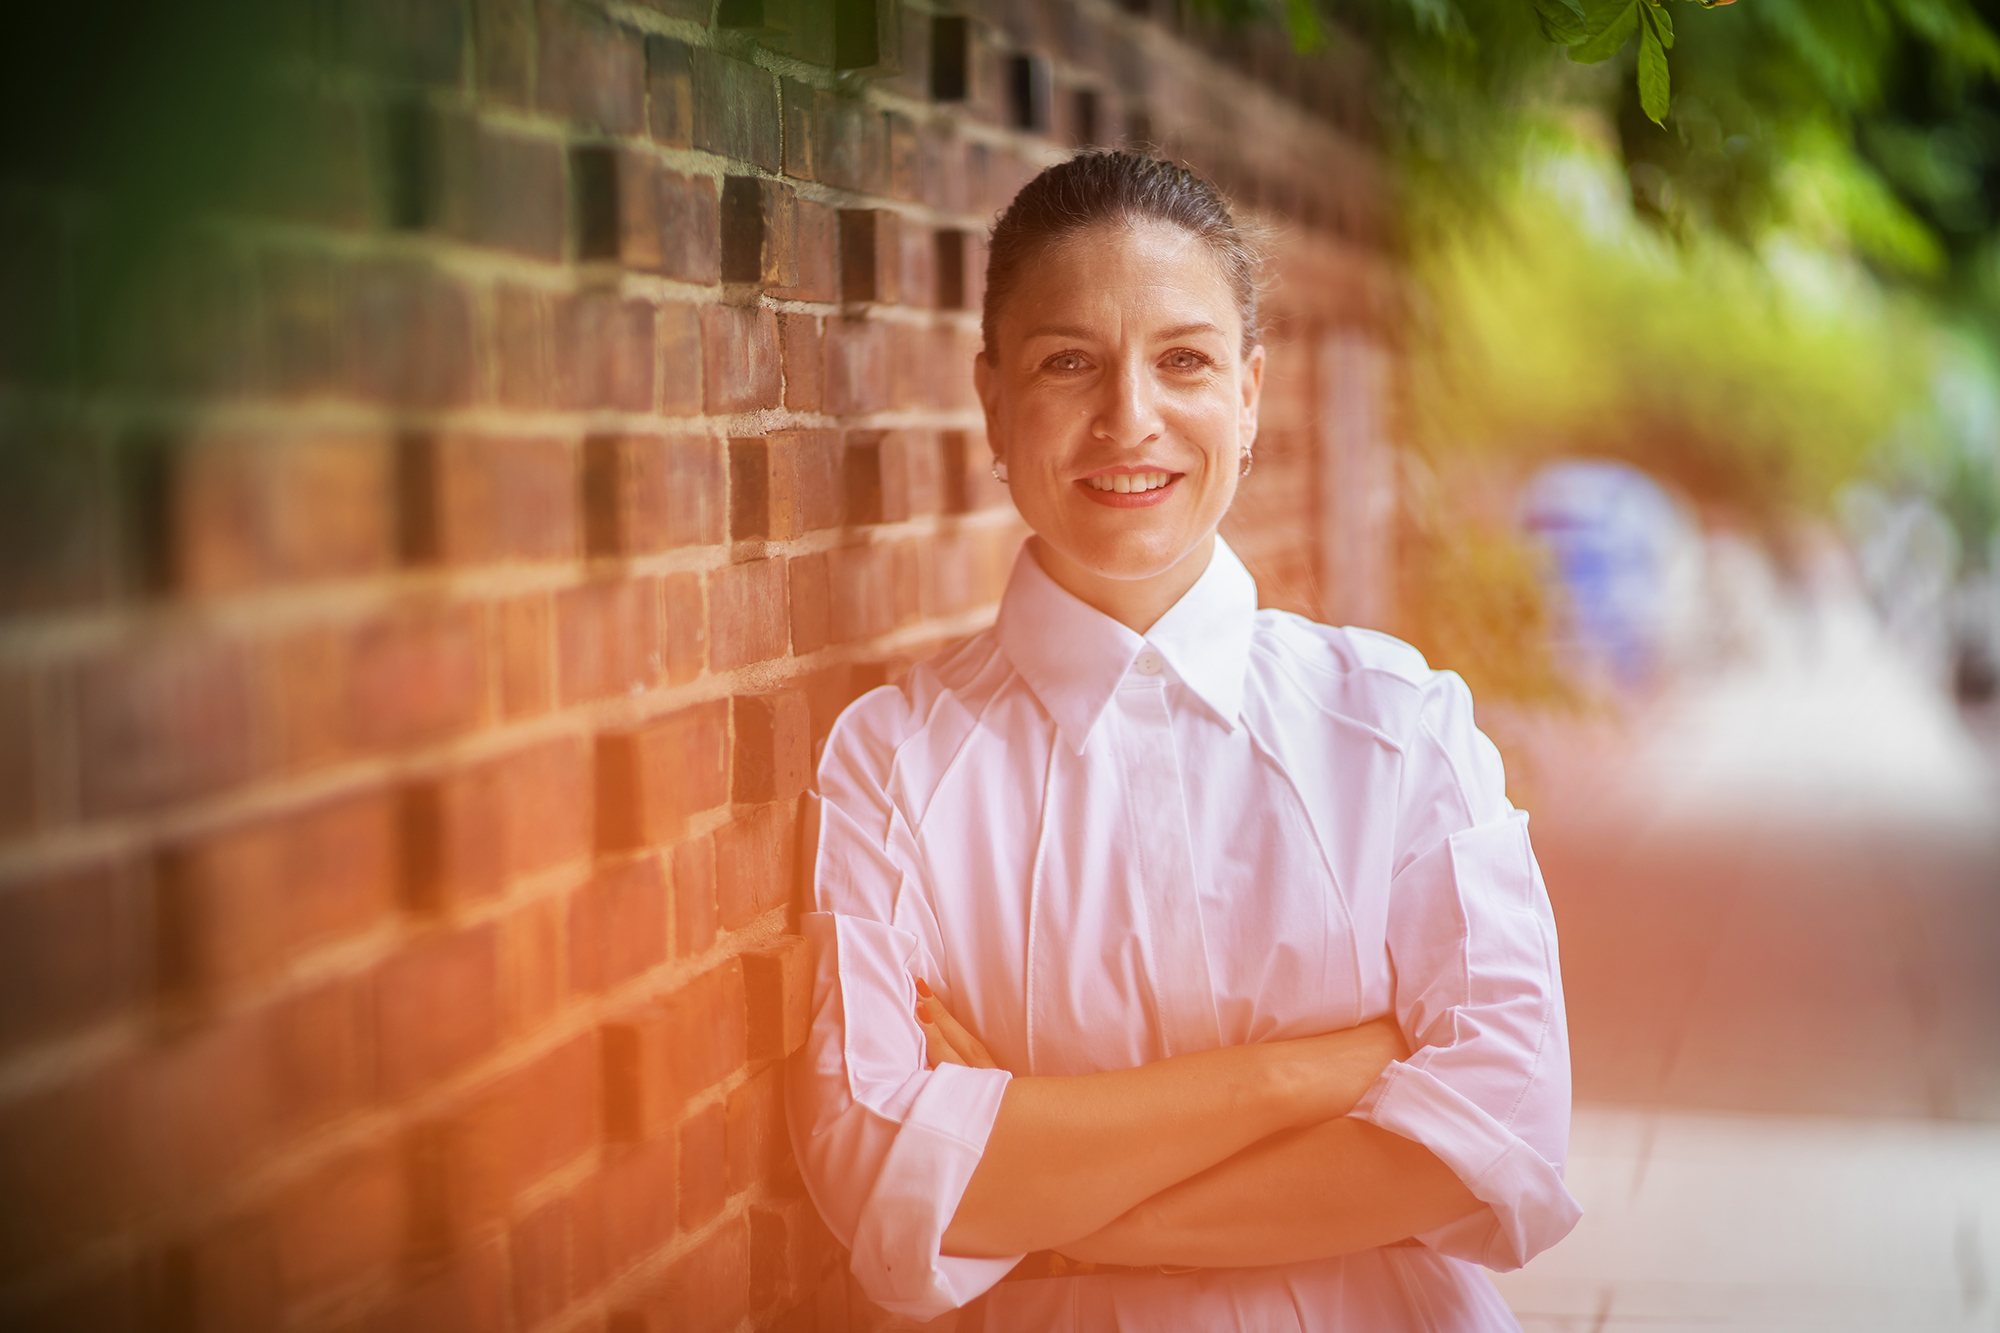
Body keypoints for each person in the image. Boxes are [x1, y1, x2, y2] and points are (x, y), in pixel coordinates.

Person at [787, 150, 1579, 1331]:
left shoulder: (1400, 727)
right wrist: (1302, 1073)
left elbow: (1497, 1132)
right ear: (992, 400)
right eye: (1069, 362)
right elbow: (877, 1169)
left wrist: (1038, 1184)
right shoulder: (892, 765)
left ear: (1248, 395)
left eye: (1184, 361)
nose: (1130, 418)